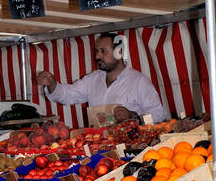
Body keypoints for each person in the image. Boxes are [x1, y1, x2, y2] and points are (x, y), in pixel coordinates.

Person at [35, 33, 167, 123]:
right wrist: (52, 83)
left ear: (119, 52)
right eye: (96, 51)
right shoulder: (93, 79)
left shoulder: (139, 81)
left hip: (131, 151)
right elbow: (67, 95)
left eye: (103, 51)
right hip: (101, 149)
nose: (98, 56)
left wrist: (133, 116)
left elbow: (159, 115)